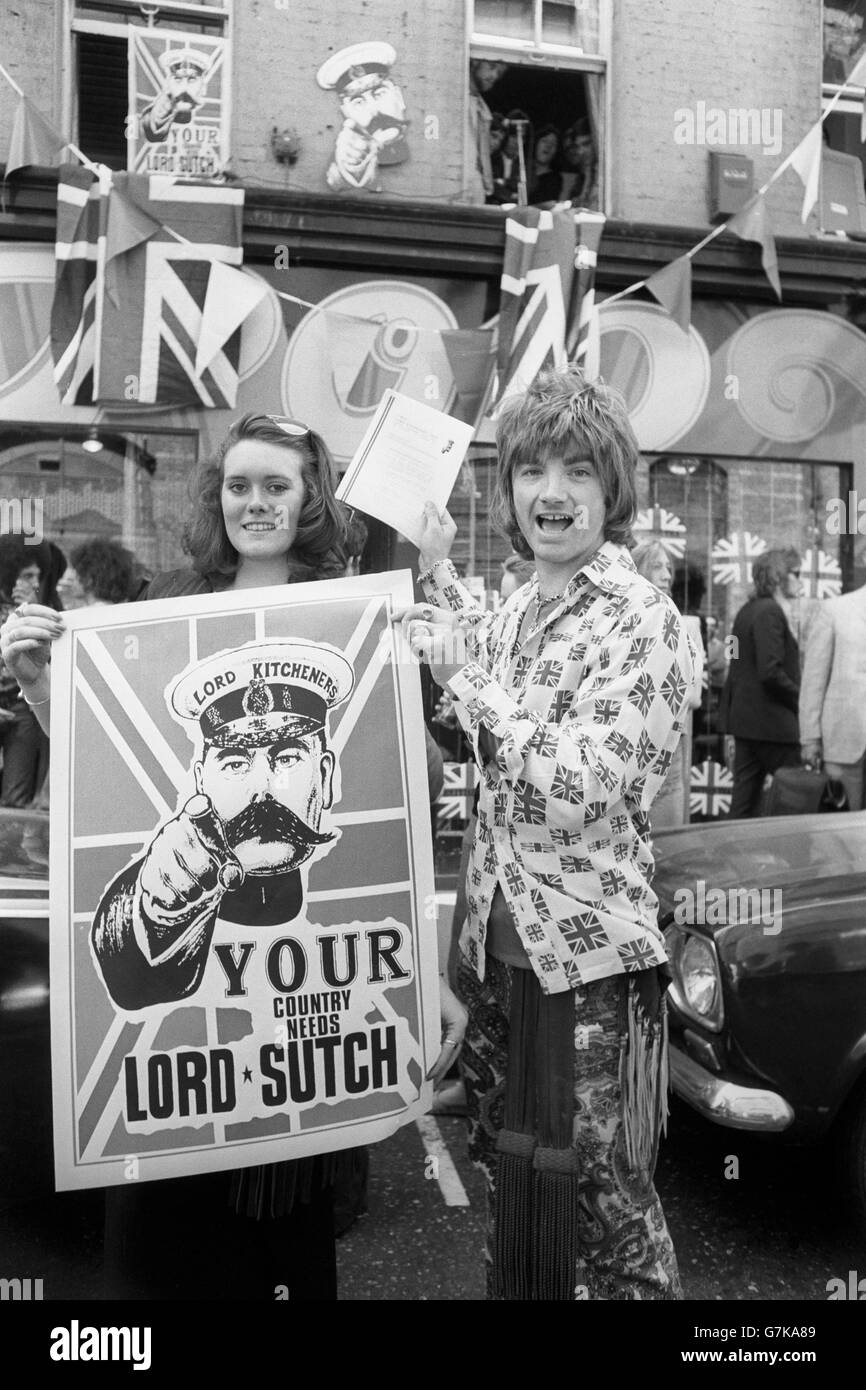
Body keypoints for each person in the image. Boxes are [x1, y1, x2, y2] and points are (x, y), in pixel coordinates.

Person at [1, 412, 465, 1300]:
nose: (256, 502)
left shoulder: (357, 608)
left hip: (295, 1035)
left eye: (278, 485)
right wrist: (35, 683)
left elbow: (390, 810)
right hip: (174, 1054)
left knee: (278, 1264)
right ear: (217, 496)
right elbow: (112, 769)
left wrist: (420, 981)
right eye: (239, 484)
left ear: (310, 498)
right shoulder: (165, 597)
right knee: (163, 1269)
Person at [400, 366, 695, 1300]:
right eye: (532, 471)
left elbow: (586, 786)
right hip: (496, 956)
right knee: (516, 1177)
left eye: (577, 471)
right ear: (511, 488)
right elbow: (470, 714)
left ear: (614, 492)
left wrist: (465, 682)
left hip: (589, 965)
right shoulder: (520, 602)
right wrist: (436, 568)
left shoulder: (645, 620)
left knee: (605, 1202)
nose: (552, 494)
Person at [719, 549, 802, 819]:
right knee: (793, 802)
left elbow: (735, 665)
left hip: (746, 725)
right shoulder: (770, 612)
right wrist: (802, 701)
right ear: (779, 577)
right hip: (774, 728)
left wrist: (728, 720)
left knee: (742, 805)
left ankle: (731, 859)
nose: (801, 582)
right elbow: (770, 671)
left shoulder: (744, 612)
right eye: (796, 574)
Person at [632, 540, 703, 828]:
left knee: (668, 832)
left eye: (668, 567)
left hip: (671, 736)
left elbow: (693, 695)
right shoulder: (628, 618)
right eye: (657, 566)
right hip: (635, 741)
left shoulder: (683, 624)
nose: (666, 574)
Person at [799, 577, 866, 810]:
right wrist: (810, 737)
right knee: (839, 830)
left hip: (843, 739)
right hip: (843, 737)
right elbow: (814, 678)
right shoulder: (835, 610)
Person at [0, 535, 55, 806]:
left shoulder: (38, 610)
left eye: (38, 575)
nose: (35, 582)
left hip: (22, 709)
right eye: (27, 574)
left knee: (15, 796)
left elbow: (47, 662)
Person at [316, 42, 409, 192]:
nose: (374, 110)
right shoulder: (349, 155)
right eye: (358, 102)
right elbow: (339, 178)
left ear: (398, 97)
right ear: (346, 113)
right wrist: (351, 169)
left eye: (379, 93)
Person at [140, 46, 212, 144]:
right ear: (168, 85)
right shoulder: (158, 113)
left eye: (192, 79)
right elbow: (152, 127)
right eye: (177, 79)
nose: (184, 88)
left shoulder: (211, 116)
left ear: (203, 87)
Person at [57, 538, 135, 609]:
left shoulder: (81, 617)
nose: (72, 579)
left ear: (89, 579)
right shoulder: (124, 612)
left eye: (76, 572)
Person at [557, 117, 598, 208]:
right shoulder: (587, 173)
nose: (580, 151)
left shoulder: (607, 174)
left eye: (586, 144)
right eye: (578, 146)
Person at [529, 124, 561, 204]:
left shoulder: (555, 179)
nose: (548, 146)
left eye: (553, 144)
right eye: (544, 141)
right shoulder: (521, 169)